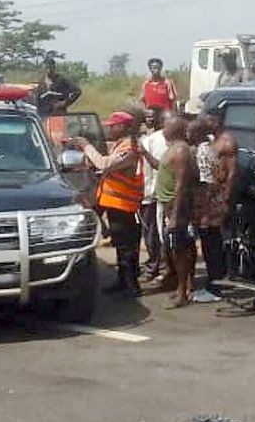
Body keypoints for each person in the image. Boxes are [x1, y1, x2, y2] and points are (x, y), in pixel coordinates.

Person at [71, 111, 144, 297]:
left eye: (113, 126)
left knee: (126, 249)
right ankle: (123, 282)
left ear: (123, 127)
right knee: (121, 247)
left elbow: (104, 164)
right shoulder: (122, 144)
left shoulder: (128, 148)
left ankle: (130, 286)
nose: (109, 128)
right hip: (116, 204)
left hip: (124, 206)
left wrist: (87, 146)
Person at [190, 110, 238, 303]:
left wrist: (224, 198)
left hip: (216, 198)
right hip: (208, 196)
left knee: (213, 242)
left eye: (208, 119)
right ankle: (215, 281)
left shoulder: (227, 142)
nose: (205, 121)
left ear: (217, 121)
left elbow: (232, 174)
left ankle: (216, 286)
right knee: (208, 241)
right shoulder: (212, 140)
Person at [153, 116, 195, 308]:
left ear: (174, 130)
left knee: (179, 249)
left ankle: (182, 292)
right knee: (174, 248)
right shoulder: (173, 148)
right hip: (168, 204)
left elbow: (181, 185)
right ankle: (182, 287)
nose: (163, 130)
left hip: (175, 205)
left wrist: (175, 215)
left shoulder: (180, 151)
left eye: (166, 127)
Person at [137, 108, 172, 281]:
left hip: (171, 196)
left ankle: (166, 269)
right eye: (167, 121)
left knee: (166, 234)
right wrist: (145, 194)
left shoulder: (181, 142)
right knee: (151, 234)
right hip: (151, 194)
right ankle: (153, 266)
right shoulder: (151, 141)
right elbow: (145, 170)